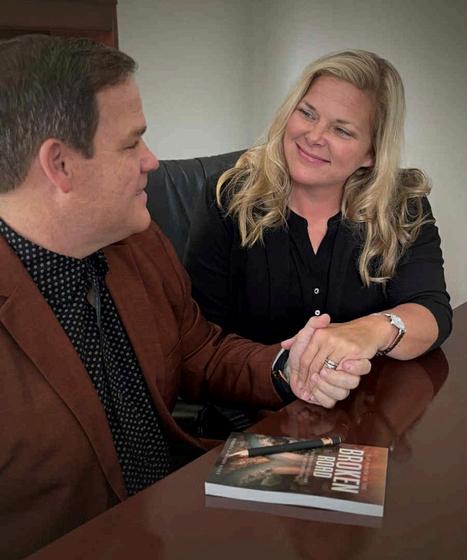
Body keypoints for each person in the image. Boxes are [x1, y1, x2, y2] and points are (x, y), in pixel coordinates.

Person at [0, 36, 373, 559]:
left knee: (363, 517)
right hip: (88, 541)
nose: (152, 161)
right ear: (59, 165)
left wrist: (287, 368)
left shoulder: (137, 240)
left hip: (184, 500)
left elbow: (199, 351)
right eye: (132, 144)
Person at [185, 49, 452, 406]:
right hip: (252, 413)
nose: (314, 136)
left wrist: (371, 330)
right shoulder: (228, 197)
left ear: (371, 153)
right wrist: (286, 370)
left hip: (361, 413)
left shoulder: (402, 204)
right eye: (307, 113)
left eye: (341, 130)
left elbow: (431, 310)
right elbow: (201, 341)